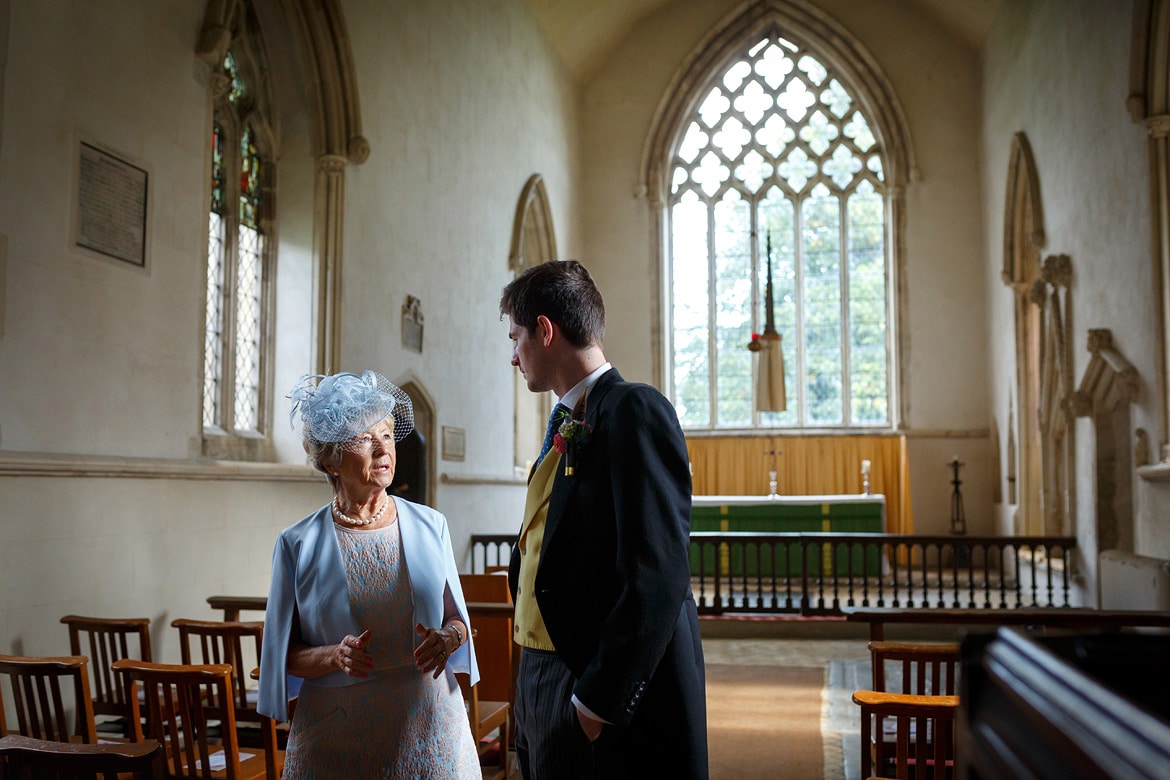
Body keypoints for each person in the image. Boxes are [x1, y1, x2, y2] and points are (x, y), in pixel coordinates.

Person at [499, 260, 709, 779]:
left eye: (517, 337)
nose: (513, 355)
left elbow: (657, 574)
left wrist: (594, 705)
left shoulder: (633, 409)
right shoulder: (571, 421)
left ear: (545, 331)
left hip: (588, 681)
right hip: (540, 670)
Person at [258, 370, 481, 779]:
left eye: (388, 435)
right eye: (365, 438)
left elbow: (458, 621)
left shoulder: (432, 525)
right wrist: (332, 655)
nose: (384, 449)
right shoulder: (297, 544)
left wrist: (449, 638)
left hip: (429, 728)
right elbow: (281, 655)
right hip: (339, 735)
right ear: (330, 459)